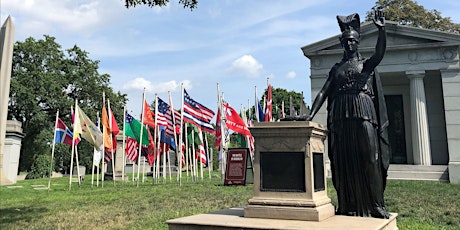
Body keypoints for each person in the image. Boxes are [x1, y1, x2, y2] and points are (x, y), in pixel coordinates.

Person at [306, 9, 391, 219]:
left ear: (358, 42)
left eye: (353, 41)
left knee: (370, 157)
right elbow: (324, 93)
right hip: (340, 115)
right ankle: (347, 203)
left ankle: (376, 204)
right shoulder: (336, 69)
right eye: (346, 41)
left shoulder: (366, 65)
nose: (350, 44)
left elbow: (379, 54)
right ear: (342, 43)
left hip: (363, 111)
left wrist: (382, 32)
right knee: (344, 160)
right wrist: (309, 116)